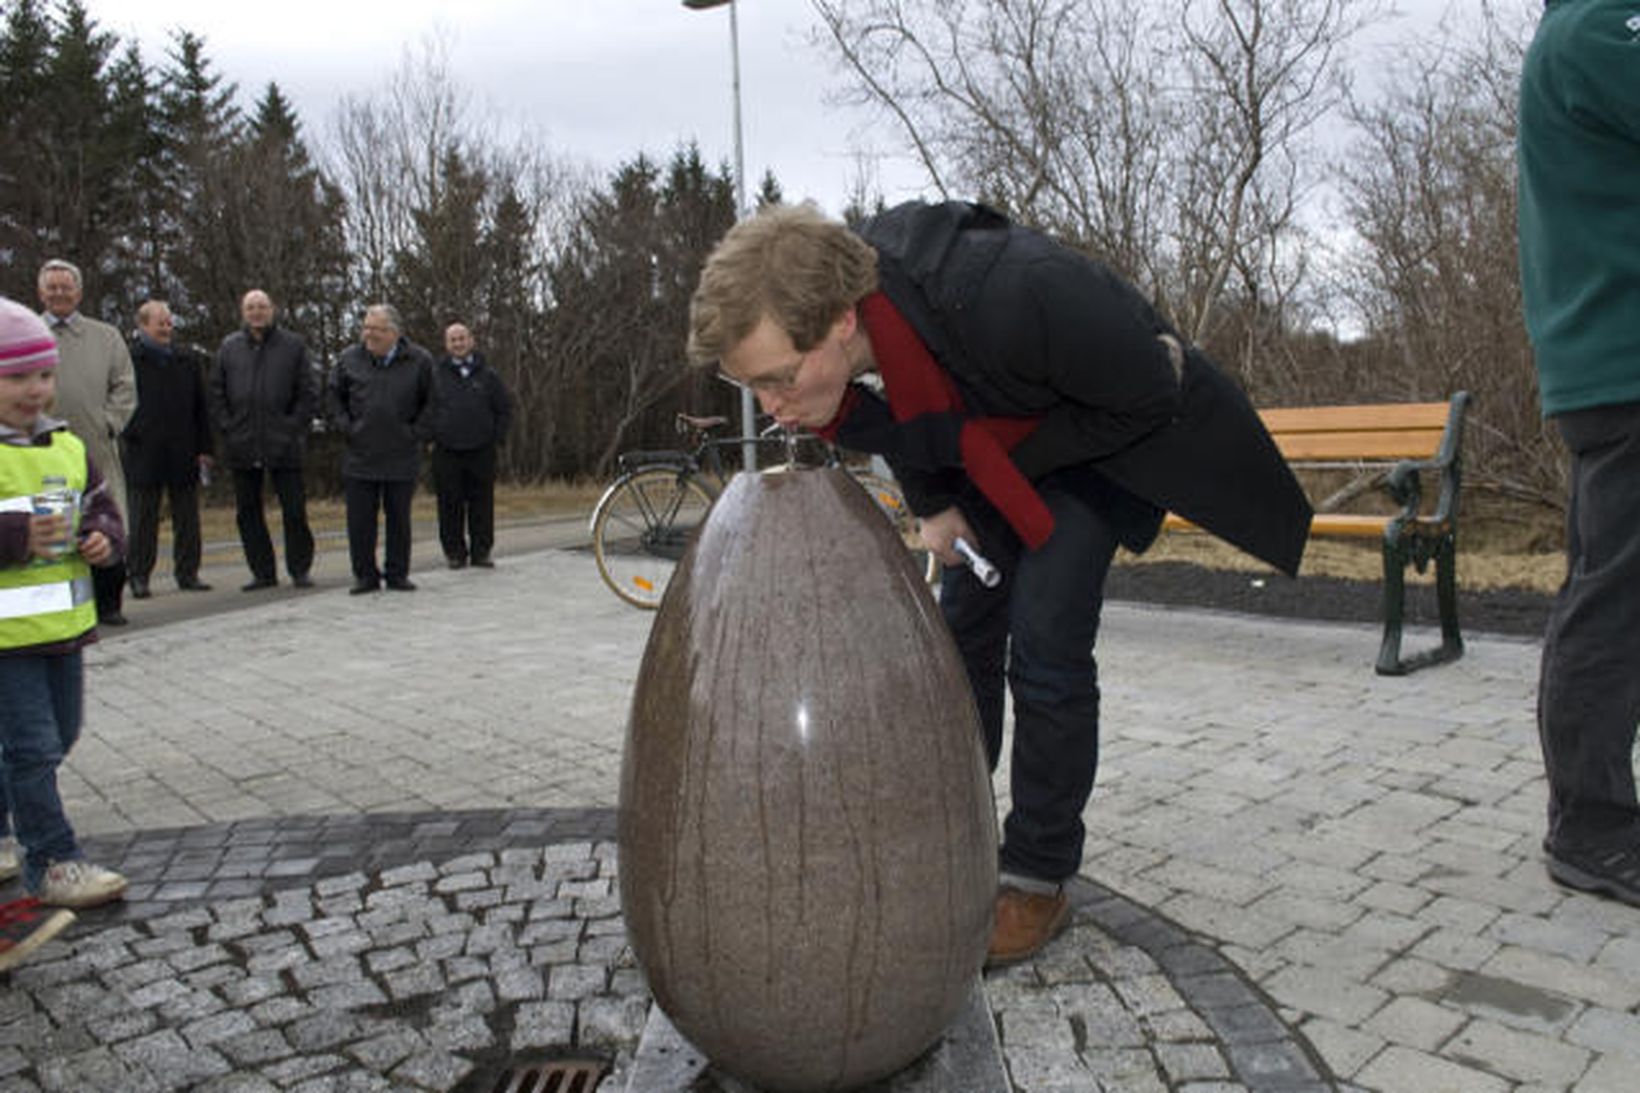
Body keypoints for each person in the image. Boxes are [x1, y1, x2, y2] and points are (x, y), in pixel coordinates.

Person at [687, 202, 1310, 965]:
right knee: (964, 626)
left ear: (843, 321)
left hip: (1104, 440)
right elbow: (905, 408)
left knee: (1045, 638)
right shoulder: (858, 343)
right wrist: (935, 502)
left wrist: (1001, 462)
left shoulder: (1014, 293)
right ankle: (949, 817)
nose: (772, 407)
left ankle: (1036, 878)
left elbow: (1153, 388)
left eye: (780, 378)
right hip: (989, 443)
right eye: (754, 386)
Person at [1517, 0, 1640, 907]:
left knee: (1607, 587)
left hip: (1611, 361)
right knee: (1613, 599)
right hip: (1624, 360)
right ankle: (1590, 824)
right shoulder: (1604, 26)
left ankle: (1591, 812)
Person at [0, 295, 131, 909]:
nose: (34, 390)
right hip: (6, 642)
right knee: (33, 749)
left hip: (62, 630)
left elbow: (101, 505)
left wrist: (105, 537)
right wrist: (18, 537)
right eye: (17, 377)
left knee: (62, 735)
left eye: (44, 375)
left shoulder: (68, 446)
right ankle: (52, 860)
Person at [37, 259, 136, 626]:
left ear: (78, 292)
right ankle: (62, 606)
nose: (59, 293)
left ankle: (110, 603)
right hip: (43, 454)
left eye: (66, 287)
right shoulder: (26, 333)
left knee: (107, 524)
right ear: (41, 292)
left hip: (96, 449)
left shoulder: (106, 336)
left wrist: (109, 423)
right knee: (57, 528)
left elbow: (125, 386)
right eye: (53, 287)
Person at [211, 289, 319, 592]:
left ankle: (300, 569)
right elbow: (217, 394)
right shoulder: (229, 348)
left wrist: (292, 427)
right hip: (243, 443)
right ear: (243, 312)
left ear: (272, 310)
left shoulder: (293, 346)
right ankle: (262, 572)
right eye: (250, 307)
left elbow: (308, 394)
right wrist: (229, 428)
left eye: (262, 306)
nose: (257, 312)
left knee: (294, 510)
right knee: (248, 512)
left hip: (284, 443)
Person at [328, 304, 434, 594]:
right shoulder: (349, 359)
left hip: (401, 454)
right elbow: (333, 398)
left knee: (399, 518)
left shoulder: (420, 360)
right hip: (360, 455)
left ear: (394, 333)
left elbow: (432, 403)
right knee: (360, 520)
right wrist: (348, 427)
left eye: (376, 329)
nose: (369, 335)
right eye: (366, 328)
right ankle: (365, 575)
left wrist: (414, 433)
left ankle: (397, 573)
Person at [123, 301, 213, 598]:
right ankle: (138, 575)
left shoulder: (186, 360)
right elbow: (119, 403)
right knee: (143, 519)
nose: (165, 328)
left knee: (187, 518)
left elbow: (201, 408)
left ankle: (188, 573)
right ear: (143, 326)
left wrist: (204, 447)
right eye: (159, 323)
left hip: (183, 450)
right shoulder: (129, 359)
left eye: (168, 322)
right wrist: (133, 432)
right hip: (143, 451)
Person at [430, 322, 512, 569]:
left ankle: (481, 552)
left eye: (462, 338)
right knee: (449, 504)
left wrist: (496, 438)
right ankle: (455, 553)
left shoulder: (488, 375)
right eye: (452, 339)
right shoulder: (435, 375)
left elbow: (503, 409)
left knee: (482, 503)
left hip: (481, 450)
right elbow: (425, 409)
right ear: (446, 344)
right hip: (446, 451)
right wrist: (431, 437)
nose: (458, 343)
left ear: (471, 341)